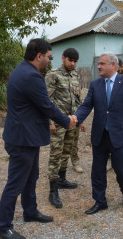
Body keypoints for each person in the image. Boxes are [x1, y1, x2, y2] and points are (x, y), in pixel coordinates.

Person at [0, 39, 77, 239]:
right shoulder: (32, 76)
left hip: (26, 137)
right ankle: (3, 227)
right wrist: (66, 121)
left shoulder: (23, 70)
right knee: (15, 184)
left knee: (31, 177)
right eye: (49, 57)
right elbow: (47, 105)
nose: (50, 61)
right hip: (22, 139)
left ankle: (30, 211)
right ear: (39, 56)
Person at [74, 52, 123, 215]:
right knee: (97, 170)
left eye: (102, 63)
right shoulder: (95, 84)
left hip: (119, 135)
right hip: (100, 135)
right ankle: (100, 201)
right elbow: (87, 105)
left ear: (113, 65)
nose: (99, 66)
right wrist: (75, 118)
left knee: (122, 169)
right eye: (98, 64)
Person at [45, 48, 86, 208]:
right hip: (58, 121)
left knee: (66, 151)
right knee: (56, 153)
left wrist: (80, 119)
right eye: (70, 60)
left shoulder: (75, 75)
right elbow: (46, 100)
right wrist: (50, 122)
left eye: (75, 61)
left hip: (72, 121)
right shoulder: (53, 74)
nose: (73, 64)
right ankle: (53, 190)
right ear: (63, 58)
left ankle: (61, 179)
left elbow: (77, 99)